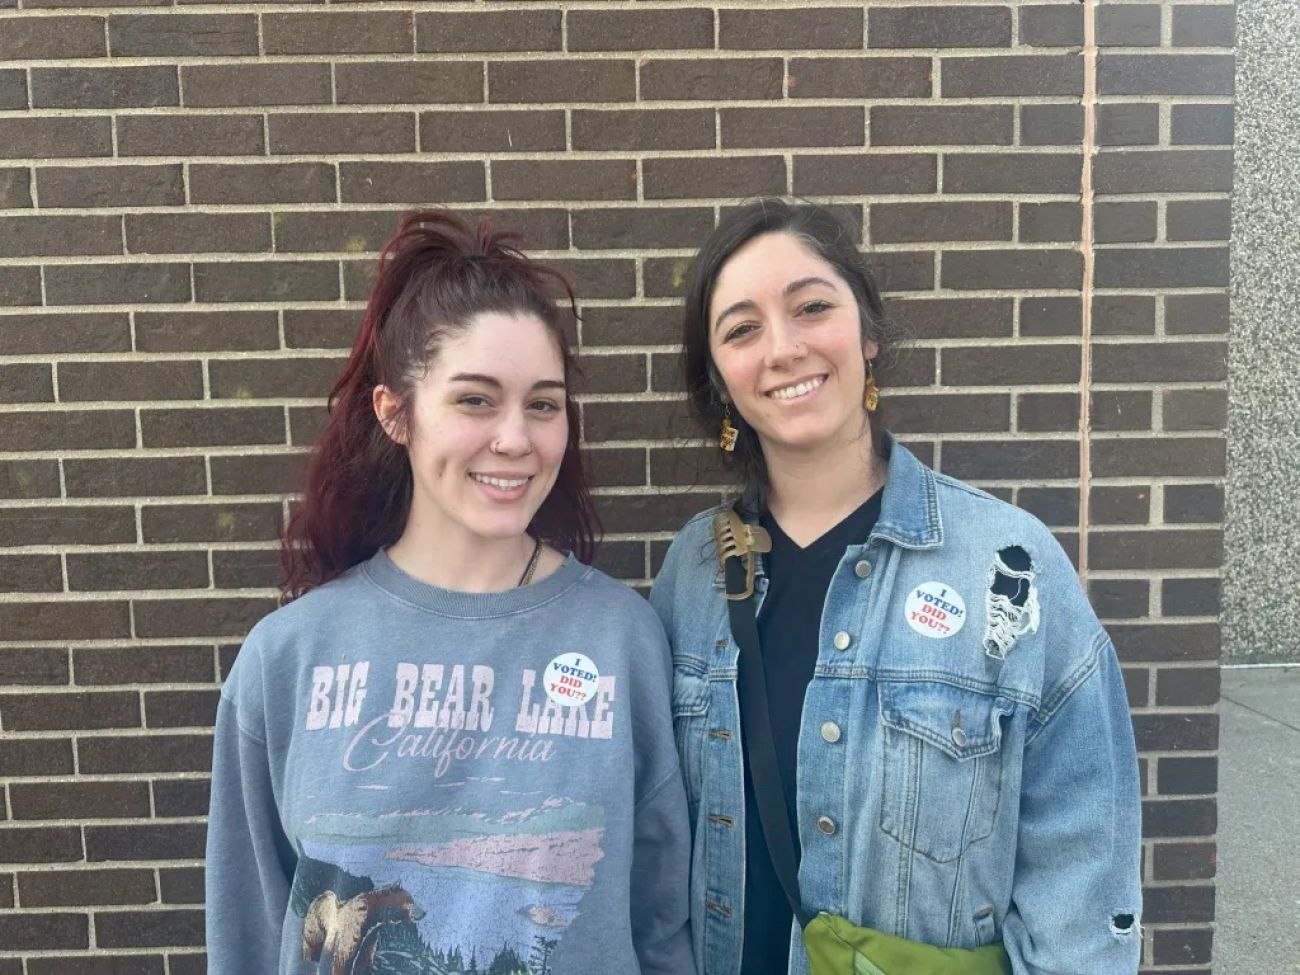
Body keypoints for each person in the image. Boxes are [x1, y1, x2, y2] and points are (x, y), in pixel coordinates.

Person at [649, 200, 1141, 975]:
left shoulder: (1007, 567)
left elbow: (1083, 881)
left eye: (812, 306)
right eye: (741, 329)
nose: (783, 347)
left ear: (867, 334)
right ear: (720, 381)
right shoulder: (692, 574)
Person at [205, 209, 693, 975]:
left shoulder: (621, 638)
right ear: (395, 413)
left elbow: (664, 920)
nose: (516, 439)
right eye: (475, 399)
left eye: (542, 403)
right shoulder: (287, 660)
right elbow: (247, 933)